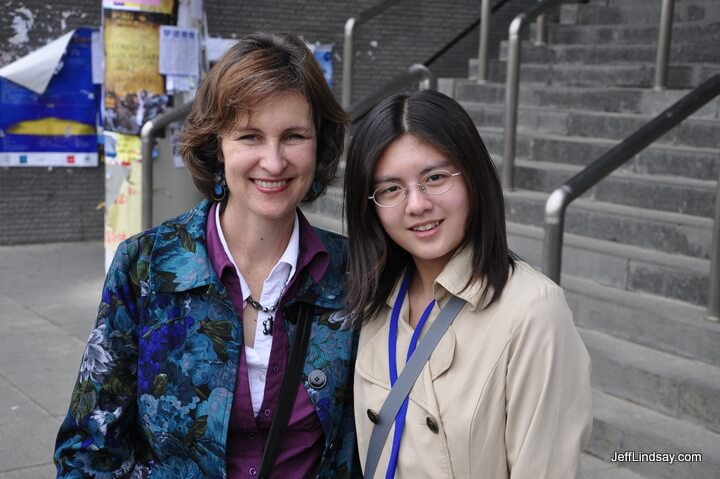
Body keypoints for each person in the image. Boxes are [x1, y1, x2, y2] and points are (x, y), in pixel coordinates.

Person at [54, 32, 360, 478]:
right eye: (250, 136)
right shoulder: (146, 265)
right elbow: (88, 447)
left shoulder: (353, 272)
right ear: (218, 145)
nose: (273, 162)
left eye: (293, 136)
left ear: (320, 145)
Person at [343, 90, 592, 478]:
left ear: (474, 176)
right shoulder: (373, 299)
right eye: (391, 188)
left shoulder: (533, 310)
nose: (416, 204)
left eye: (435, 178)